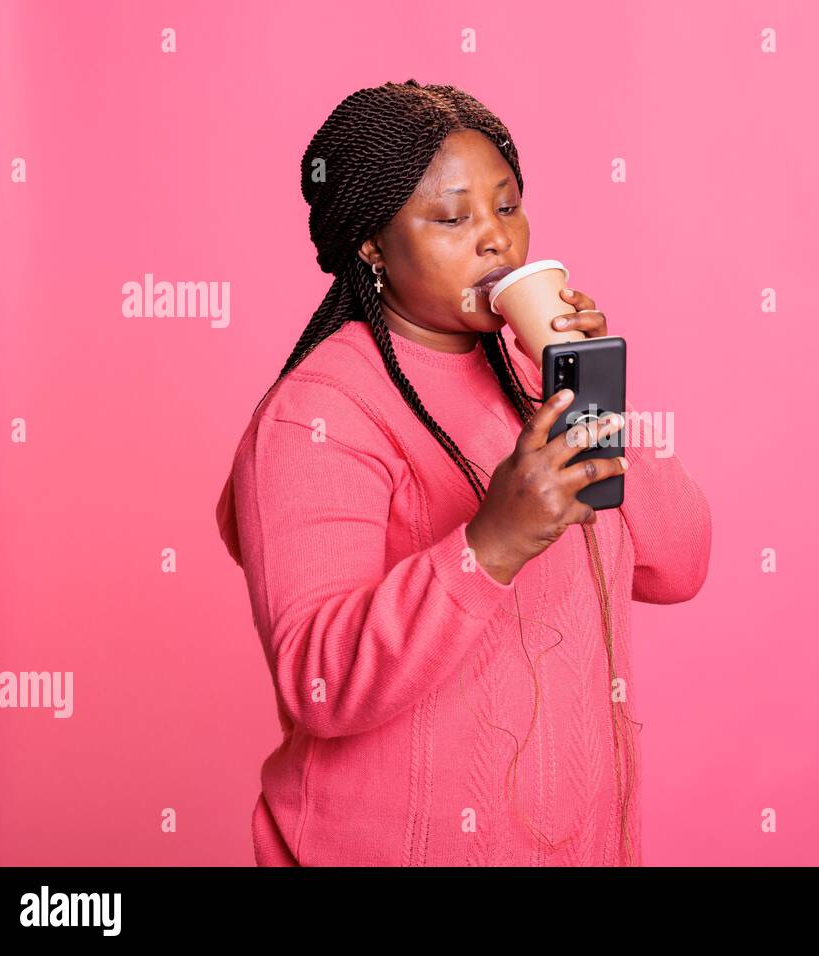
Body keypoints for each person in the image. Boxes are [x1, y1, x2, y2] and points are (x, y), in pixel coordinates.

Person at [214, 80, 712, 866]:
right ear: (372, 245)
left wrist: (588, 388)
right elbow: (320, 683)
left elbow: (680, 565)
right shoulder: (319, 413)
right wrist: (493, 542)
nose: (497, 241)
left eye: (508, 207)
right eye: (452, 218)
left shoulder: (533, 382)